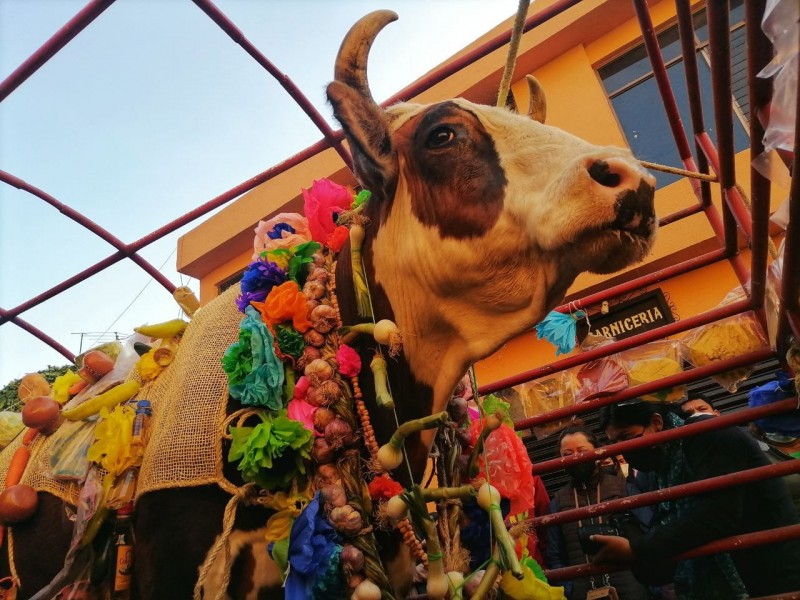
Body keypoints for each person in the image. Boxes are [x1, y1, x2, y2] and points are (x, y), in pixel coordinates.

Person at [593, 400, 800, 599]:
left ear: (656, 423)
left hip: (773, 573)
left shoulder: (708, 433)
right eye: (614, 443)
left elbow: (716, 514)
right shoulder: (666, 460)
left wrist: (636, 550)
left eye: (627, 437)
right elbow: (670, 522)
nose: (622, 449)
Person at [546, 425, 649, 599]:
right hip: (583, 592)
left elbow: (648, 531)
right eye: (567, 454)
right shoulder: (558, 502)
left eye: (582, 450)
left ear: (597, 451)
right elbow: (555, 556)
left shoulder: (623, 487)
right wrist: (569, 589)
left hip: (631, 587)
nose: (576, 458)